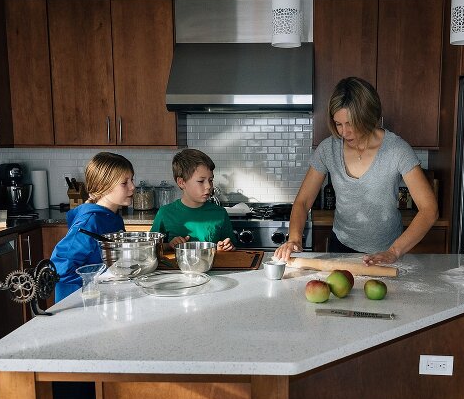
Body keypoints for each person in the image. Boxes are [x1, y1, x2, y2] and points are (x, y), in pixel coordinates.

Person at [274, 77, 438, 265]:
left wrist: (394, 252)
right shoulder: (329, 149)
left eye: (351, 123)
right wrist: (294, 239)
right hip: (341, 248)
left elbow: (429, 210)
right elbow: (303, 202)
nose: (344, 132)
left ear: (368, 117)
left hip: (387, 252)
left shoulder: (397, 150)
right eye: (338, 124)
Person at [50, 152, 135, 302]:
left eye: (132, 180)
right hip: (82, 304)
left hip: (105, 298)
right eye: (124, 182)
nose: (133, 187)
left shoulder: (113, 217)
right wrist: (94, 284)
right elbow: (59, 268)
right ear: (103, 186)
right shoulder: (89, 222)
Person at [151, 148, 234, 252]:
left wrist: (226, 247)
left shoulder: (220, 213)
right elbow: (151, 248)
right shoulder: (165, 213)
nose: (209, 186)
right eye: (201, 181)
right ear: (181, 182)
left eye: (210, 180)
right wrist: (169, 245)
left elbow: (231, 247)